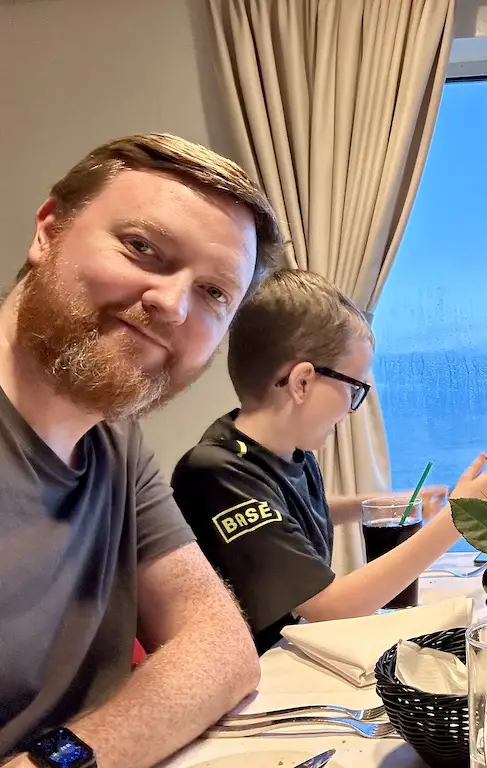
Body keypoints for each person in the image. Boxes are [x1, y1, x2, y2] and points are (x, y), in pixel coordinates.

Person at [0, 133, 284, 767]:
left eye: (214, 294)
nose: (172, 304)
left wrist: (67, 758)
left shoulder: (112, 438)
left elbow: (220, 645)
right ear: (49, 229)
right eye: (143, 248)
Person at [170, 269, 487, 653]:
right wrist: (461, 519)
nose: (353, 408)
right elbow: (331, 606)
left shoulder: (283, 452)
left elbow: (284, 517)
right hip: (248, 678)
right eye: (354, 389)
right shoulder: (215, 473)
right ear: (302, 382)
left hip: (287, 656)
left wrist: (377, 506)